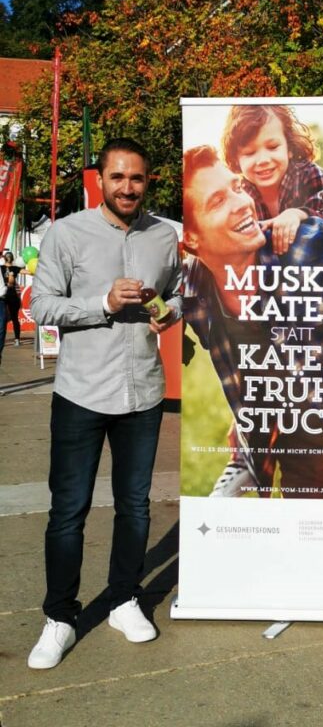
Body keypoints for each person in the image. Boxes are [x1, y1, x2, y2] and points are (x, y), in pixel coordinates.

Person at [27, 138, 182, 671]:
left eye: (137, 178)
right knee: (67, 512)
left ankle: (122, 599)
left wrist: (171, 311)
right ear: (100, 179)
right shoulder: (68, 233)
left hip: (142, 392)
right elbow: (40, 306)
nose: (128, 187)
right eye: (118, 177)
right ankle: (60, 617)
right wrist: (102, 303)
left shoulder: (165, 236)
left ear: (147, 182)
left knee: (134, 507)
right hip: (82, 392)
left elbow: (179, 290)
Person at [182, 144, 323, 501]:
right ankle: (242, 461)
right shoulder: (195, 293)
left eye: (237, 187)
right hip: (300, 461)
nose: (242, 202)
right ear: (191, 239)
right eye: (218, 201)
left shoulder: (313, 246)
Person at [221, 104, 323, 254]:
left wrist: (296, 214)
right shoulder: (240, 196)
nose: (263, 160)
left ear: (289, 148)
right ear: (237, 159)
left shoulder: (309, 174)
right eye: (250, 153)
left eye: (272, 147)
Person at [2, 250, 22, 346]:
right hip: (3, 296)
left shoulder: (15, 268)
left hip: (11, 296)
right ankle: (15, 339)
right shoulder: (1, 268)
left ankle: (17, 339)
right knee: (4, 319)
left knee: (13, 318)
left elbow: (28, 271)